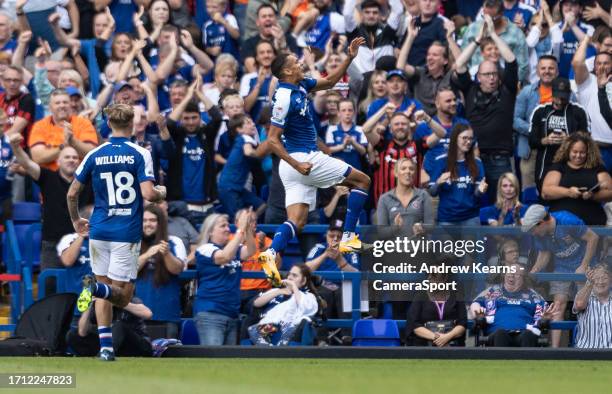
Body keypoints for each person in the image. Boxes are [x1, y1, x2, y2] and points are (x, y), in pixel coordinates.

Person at [257, 36, 371, 283]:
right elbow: (273, 139)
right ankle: (349, 237)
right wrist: (297, 163)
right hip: (302, 160)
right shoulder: (284, 96)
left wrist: (350, 57)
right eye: (296, 62)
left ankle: (271, 252)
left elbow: (330, 81)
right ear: (286, 71)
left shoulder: (300, 86)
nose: (301, 63)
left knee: (296, 221)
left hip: (298, 166)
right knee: (362, 181)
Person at [67, 103, 167, 361]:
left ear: (109, 124)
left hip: (99, 229)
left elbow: (72, 192)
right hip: (126, 232)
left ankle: (106, 348)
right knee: (121, 297)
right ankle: (95, 290)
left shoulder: (94, 154)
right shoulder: (139, 152)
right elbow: (147, 194)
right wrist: (161, 193)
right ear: (132, 124)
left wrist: (77, 219)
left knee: (105, 286)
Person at [8, 133, 92, 293]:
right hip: (51, 245)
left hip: (81, 245)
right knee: (49, 290)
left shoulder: (87, 183)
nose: (72, 160)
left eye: (75, 157)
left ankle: (79, 318)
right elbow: (26, 163)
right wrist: (15, 147)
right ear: (58, 161)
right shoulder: (47, 177)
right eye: (67, 157)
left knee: (83, 291)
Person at [453, 14, 518, 201]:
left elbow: (512, 61)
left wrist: (494, 36)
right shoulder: (470, 89)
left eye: (494, 74)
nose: (491, 78)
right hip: (473, 157)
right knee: (475, 202)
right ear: (478, 76)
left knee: (504, 204)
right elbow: (459, 64)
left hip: (501, 159)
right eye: (487, 74)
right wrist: (477, 40)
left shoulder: (507, 90)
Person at [522, 204, 599, 348]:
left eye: (533, 229)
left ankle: (589, 345)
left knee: (584, 306)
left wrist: (583, 266)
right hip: (562, 267)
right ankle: (555, 349)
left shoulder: (567, 220)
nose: (532, 233)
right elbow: (544, 253)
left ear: (541, 222)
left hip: (584, 263)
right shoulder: (541, 233)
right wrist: (535, 269)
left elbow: (593, 238)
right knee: (558, 305)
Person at [194, 211, 256, 346]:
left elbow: (251, 250)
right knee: (213, 360)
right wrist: (240, 230)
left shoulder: (233, 248)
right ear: (210, 232)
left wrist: (247, 229)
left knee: (228, 363)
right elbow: (225, 256)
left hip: (231, 313)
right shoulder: (205, 248)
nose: (228, 229)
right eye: (222, 226)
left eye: (228, 226)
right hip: (211, 313)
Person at [470, 262, 556, 347]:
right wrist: (478, 314)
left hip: (524, 332)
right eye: (509, 272)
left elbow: (544, 311)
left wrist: (544, 318)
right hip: (497, 332)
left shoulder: (533, 295)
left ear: (523, 279)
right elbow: (476, 303)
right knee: (501, 334)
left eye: (516, 274)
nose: (511, 275)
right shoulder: (494, 291)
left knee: (527, 335)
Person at [528, 77, 590, 192]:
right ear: (552, 93)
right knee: (545, 195)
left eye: (564, 98)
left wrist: (569, 139)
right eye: (557, 97)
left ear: (569, 94)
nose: (560, 101)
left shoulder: (579, 111)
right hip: (546, 163)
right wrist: (545, 140)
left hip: (572, 165)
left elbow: (588, 141)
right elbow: (531, 141)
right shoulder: (540, 111)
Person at [136, 204, 186, 339]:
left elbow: (176, 270)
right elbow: (128, 271)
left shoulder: (175, 242)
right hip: (137, 313)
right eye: (144, 220)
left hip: (167, 314)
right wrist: (147, 255)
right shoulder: (133, 242)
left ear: (160, 223)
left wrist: (166, 254)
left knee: (167, 357)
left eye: (152, 220)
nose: (148, 224)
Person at [541, 132, 612, 226]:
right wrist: (568, 192)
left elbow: (610, 192)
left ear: (588, 152)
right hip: (562, 224)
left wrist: (593, 195)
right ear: (568, 151)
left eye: (582, 152)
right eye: (575, 152)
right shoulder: (559, 167)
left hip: (592, 223)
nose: (578, 156)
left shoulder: (597, 168)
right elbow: (546, 191)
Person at [513, 55, 559, 192]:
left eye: (551, 68)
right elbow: (515, 119)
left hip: (557, 150)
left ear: (557, 72)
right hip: (530, 150)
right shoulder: (527, 92)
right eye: (543, 68)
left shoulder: (566, 93)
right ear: (537, 71)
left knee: (554, 190)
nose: (547, 71)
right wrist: (536, 132)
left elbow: (573, 119)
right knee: (530, 193)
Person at [427, 124, 487, 226]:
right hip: (447, 218)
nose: (468, 142)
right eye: (464, 138)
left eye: (470, 139)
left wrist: (480, 191)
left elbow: (477, 194)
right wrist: (439, 182)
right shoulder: (441, 161)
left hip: (470, 217)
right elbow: (432, 192)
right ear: (455, 139)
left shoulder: (477, 162)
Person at [248, 264, 321, 346]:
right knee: (253, 328)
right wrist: (279, 292)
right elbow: (256, 303)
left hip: (289, 329)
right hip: (268, 328)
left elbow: (306, 308)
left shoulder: (307, 296)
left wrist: (294, 287)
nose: (290, 277)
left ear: (303, 281)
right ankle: (268, 347)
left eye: (294, 275)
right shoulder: (276, 291)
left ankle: (277, 347)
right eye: (289, 274)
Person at [28, 89, 98, 171]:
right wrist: (63, 146)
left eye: (65, 102)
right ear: (50, 107)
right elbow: (38, 157)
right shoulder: (40, 126)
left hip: (79, 176)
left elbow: (92, 153)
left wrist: (73, 141)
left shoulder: (83, 123)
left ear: (70, 105)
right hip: (49, 177)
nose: (62, 105)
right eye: (57, 103)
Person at [460, 0, 529, 82]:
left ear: (502, 13)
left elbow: (523, 66)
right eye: (485, 16)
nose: (488, 20)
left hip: (505, 84)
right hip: (475, 83)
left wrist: (509, 85)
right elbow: (463, 58)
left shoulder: (516, 33)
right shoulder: (472, 29)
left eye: (492, 18)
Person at [573, 36, 612, 172]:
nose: (602, 66)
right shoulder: (588, 82)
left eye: (606, 63)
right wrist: (585, 40)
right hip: (595, 147)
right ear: (594, 66)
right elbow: (577, 62)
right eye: (599, 63)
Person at [217, 114, 266, 221]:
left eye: (252, 122)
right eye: (248, 123)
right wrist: (263, 152)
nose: (253, 124)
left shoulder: (245, 139)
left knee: (262, 205)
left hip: (237, 188)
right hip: (229, 188)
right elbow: (248, 152)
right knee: (238, 220)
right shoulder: (245, 138)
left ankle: (251, 222)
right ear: (239, 129)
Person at [66, 298, 153, 357]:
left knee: (118, 326)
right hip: (117, 348)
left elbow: (148, 314)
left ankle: (105, 354)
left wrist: (117, 302)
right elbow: (82, 332)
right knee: (72, 334)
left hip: (137, 346)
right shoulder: (97, 305)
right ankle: (96, 355)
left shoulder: (129, 299)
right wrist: (89, 306)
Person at [407, 265, 467, 347]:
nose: (429, 278)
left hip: (451, 343)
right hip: (425, 344)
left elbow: (462, 324)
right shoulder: (420, 296)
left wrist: (447, 337)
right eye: (428, 274)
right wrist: (437, 338)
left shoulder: (457, 296)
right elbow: (414, 325)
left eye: (434, 275)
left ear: (445, 278)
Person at [376, 158, 433, 234]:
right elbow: (381, 233)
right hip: (394, 245)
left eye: (411, 169)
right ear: (396, 173)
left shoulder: (423, 195)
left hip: (417, 244)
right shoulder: (384, 199)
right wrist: (395, 228)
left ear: (414, 174)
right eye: (403, 168)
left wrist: (422, 227)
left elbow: (431, 226)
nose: (408, 171)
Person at [573, 264, 612, 348]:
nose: (600, 282)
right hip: (587, 352)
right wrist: (589, 283)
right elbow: (579, 305)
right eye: (596, 278)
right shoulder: (583, 296)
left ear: (611, 280)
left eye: (605, 278)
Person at [324, 98, 368, 172]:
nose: (347, 113)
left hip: (356, 169)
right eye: (343, 110)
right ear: (338, 113)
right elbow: (328, 150)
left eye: (350, 110)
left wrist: (353, 143)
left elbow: (363, 151)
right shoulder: (332, 129)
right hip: (337, 170)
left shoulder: (360, 129)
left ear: (354, 112)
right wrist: (342, 146)